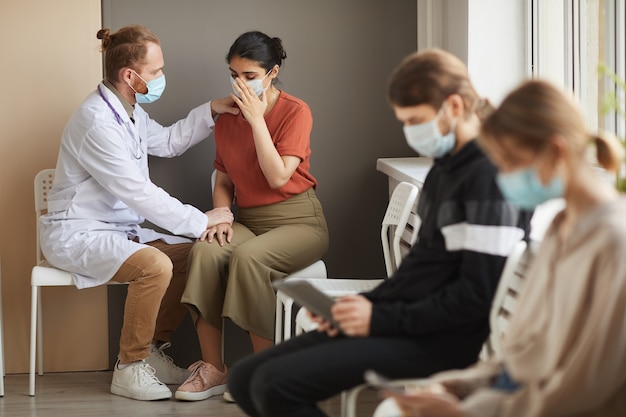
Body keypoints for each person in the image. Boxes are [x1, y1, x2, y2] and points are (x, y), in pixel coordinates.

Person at [226, 48, 533, 417]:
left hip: (438, 340)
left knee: (272, 384)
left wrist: (377, 319)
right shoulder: (446, 171)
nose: (410, 131)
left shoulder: (488, 180)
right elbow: (419, 271)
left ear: (454, 106)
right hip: (402, 322)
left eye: (415, 119)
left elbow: (471, 299)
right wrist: (363, 306)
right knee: (245, 377)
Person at [376, 79, 626, 417]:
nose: (501, 178)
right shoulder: (559, 228)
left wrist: (468, 412)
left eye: (508, 163)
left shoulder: (614, 243)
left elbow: (584, 389)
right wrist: (456, 385)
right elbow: (522, 355)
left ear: (555, 151)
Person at [39, 25, 238, 401]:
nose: (162, 78)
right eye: (156, 71)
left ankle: (151, 350)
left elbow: (166, 141)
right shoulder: (96, 120)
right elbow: (136, 191)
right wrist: (201, 220)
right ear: (130, 75)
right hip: (76, 234)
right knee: (156, 265)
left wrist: (211, 110)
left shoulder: (128, 111)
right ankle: (129, 367)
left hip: (115, 232)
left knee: (193, 255)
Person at [174, 31, 329, 401]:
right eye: (234, 74)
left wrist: (257, 120)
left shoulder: (295, 111)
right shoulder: (227, 117)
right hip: (249, 221)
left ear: (272, 72)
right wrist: (222, 214)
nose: (239, 84)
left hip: (299, 222)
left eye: (249, 76)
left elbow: (278, 176)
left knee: (248, 258)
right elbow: (224, 178)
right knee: (206, 250)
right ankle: (213, 369)